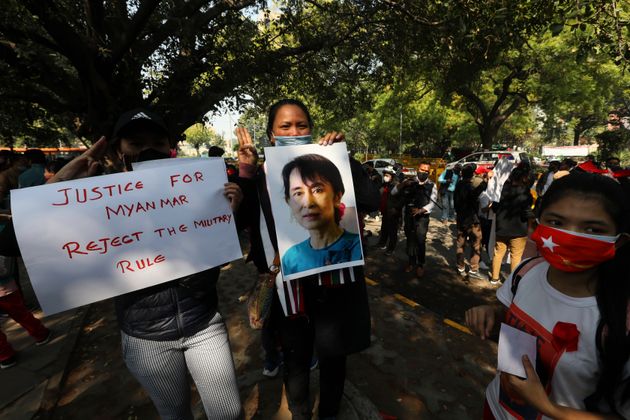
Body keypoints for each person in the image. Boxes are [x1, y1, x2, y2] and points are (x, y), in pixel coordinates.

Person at [46, 108, 244, 420]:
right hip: (146, 338)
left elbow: (218, 250)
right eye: (135, 143)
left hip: (203, 323)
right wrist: (58, 188)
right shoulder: (97, 201)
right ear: (117, 151)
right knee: (175, 415)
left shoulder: (196, 189)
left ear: (170, 147)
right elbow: (23, 243)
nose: (147, 151)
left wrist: (228, 214)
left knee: (229, 414)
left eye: (157, 142)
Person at [236, 98, 375, 420]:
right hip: (289, 290)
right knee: (296, 360)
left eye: (302, 125)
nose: (294, 131)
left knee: (333, 359)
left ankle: (328, 412)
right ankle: (299, 412)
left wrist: (345, 158)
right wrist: (244, 172)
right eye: (285, 126)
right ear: (271, 135)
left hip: (334, 287)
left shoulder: (330, 167)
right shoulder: (260, 177)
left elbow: (369, 199)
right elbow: (239, 222)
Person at [465, 171, 630, 419]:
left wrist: (549, 408)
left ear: (618, 241)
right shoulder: (525, 272)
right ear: (535, 225)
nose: (572, 236)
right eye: (557, 222)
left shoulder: (620, 321)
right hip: (496, 407)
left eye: (592, 229)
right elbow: (510, 316)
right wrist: (491, 314)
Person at [281, 154, 362, 276]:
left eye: (317, 190)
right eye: (298, 193)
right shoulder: (290, 258)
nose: (308, 203)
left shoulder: (357, 248)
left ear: (337, 196)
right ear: (289, 202)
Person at [489, 164, 534, 285]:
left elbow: (495, 207)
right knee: (516, 256)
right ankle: (512, 282)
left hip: (501, 228)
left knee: (498, 253)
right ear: (524, 178)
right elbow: (527, 212)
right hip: (518, 230)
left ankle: (494, 278)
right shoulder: (525, 193)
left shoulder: (503, 189)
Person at [394, 162, 438, 277]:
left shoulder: (432, 184)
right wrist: (403, 184)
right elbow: (393, 192)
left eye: (426, 171)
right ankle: (411, 262)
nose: (424, 172)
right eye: (422, 170)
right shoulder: (409, 181)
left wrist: (421, 210)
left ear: (429, 172)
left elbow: (433, 203)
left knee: (420, 241)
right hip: (409, 216)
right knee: (410, 240)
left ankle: (420, 264)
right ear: (418, 169)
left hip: (422, 218)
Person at [454, 164, 487, 280]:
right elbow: (474, 196)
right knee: (476, 245)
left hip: (461, 219)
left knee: (460, 244)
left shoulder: (458, 185)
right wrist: (484, 183)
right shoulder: (469, 187)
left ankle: (460, 267)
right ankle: (473, 269)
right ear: (472, 174)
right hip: (472, 221)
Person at [376, 168, 401, 255]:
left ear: (392, 176)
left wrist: (396, 209)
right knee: (384, 228)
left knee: (392, 231)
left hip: (393, 212)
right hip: (385, 211)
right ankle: (382, 243)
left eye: (387, 175)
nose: (385, 177)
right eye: (384, 175)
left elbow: (400, 200)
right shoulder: (385, 184)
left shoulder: (396, 185)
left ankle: (391, 248)